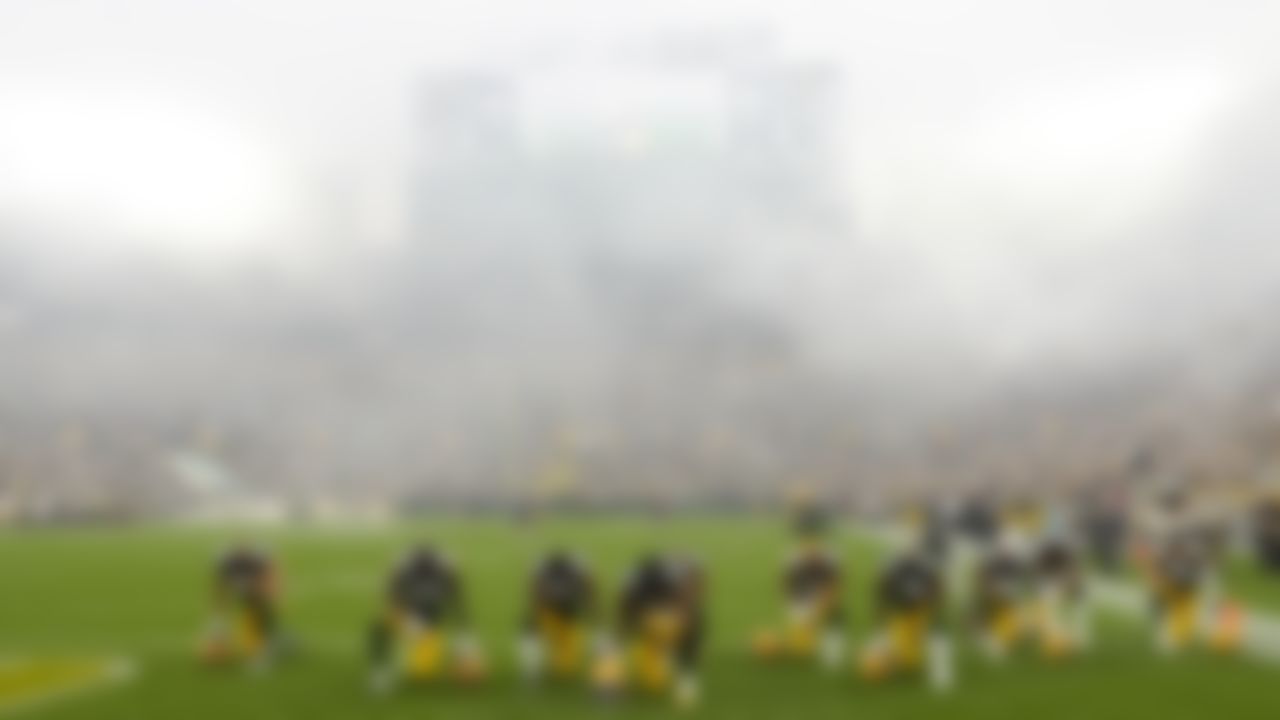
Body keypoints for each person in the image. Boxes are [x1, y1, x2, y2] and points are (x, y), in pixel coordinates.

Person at [368, 545, 486, 693]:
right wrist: (404, 622)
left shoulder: (448, 572)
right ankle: (381, 673)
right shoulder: (401, 570)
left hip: (430, 625)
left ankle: (426, 655)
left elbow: (459, 606)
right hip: (407, 616)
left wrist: (465, 642)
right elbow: (390, 603)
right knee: (380, 626)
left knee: (424, 673)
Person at [594, 554, 706, 709]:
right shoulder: (633, 587)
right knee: (613, 651)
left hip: (660, 622)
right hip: (647, 620)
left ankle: (669, 662)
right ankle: (609, 679)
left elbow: (690, 609)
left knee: (654, 684)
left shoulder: (679, 584)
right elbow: (623, 613)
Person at [858, 547, 953, 692]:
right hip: (900, 612)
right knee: (906, 661)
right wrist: (881, 619)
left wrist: (932, 610)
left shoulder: (927, 570)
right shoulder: (890, 573)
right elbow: (881, 597)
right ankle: (885, 662)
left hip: (922, 610)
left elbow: (938, 590)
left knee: (936, 640)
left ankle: (940, 673)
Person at [518, 549, 601, 682]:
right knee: (531, 636)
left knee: (565, 669)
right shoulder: (540, 573)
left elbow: (590, 590)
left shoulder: (581, 570)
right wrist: (533, 617)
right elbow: (534, 593)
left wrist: (592, 612)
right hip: (547, 610)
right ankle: (532, 669)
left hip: (569, 613)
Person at [200, 543, 284, 671]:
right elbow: (220, 590)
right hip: (245, 593)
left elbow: (268, 584)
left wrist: (269, 595)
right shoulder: (227, 567)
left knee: (256, 623)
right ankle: (260, 648)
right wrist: (218, 621)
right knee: (244, 627)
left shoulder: (257, 565)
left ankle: (261, 654)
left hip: (258, 596)